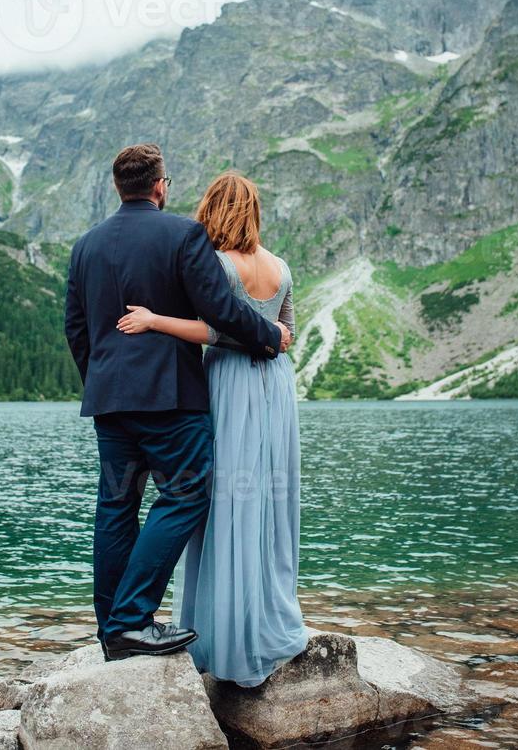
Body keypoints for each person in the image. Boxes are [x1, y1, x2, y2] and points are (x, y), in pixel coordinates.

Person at [64, 144, 290, 662]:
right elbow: (221, 309)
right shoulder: (181, 234)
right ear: (161, 185)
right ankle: (131, 621)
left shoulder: (85, 246)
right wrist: (269, 337)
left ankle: (112, 631)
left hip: (110, 402)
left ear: (118, 187)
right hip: (170, 400)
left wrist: (101, 381)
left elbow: (76, 329)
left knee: (117, 506)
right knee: (187, 495)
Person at [117, 171, 308, 686]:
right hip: (276, 388)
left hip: (229, 385)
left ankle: (219, 632)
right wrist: (271, 336)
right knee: (267, 499)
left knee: (224, 501)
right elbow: (285, 333)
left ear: (214, 210)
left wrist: (156, 320)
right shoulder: (280, 265)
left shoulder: (217, 264)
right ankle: (269, 615)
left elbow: (216, 331)